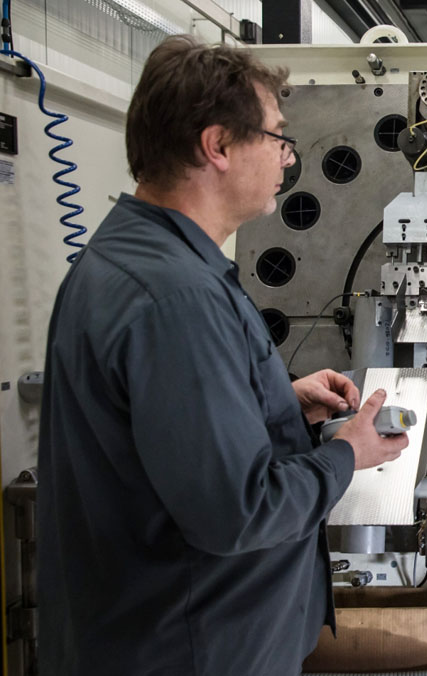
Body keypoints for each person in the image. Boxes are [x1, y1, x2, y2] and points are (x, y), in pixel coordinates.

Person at [36, 35, 408, 675]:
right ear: (218, 146)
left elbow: (161, 428)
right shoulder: (177, 297)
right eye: (278, 138)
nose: (288, 161)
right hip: (189, 649)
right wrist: (351, 455)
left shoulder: (132, 262)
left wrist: (278, 406)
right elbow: (241, 511)